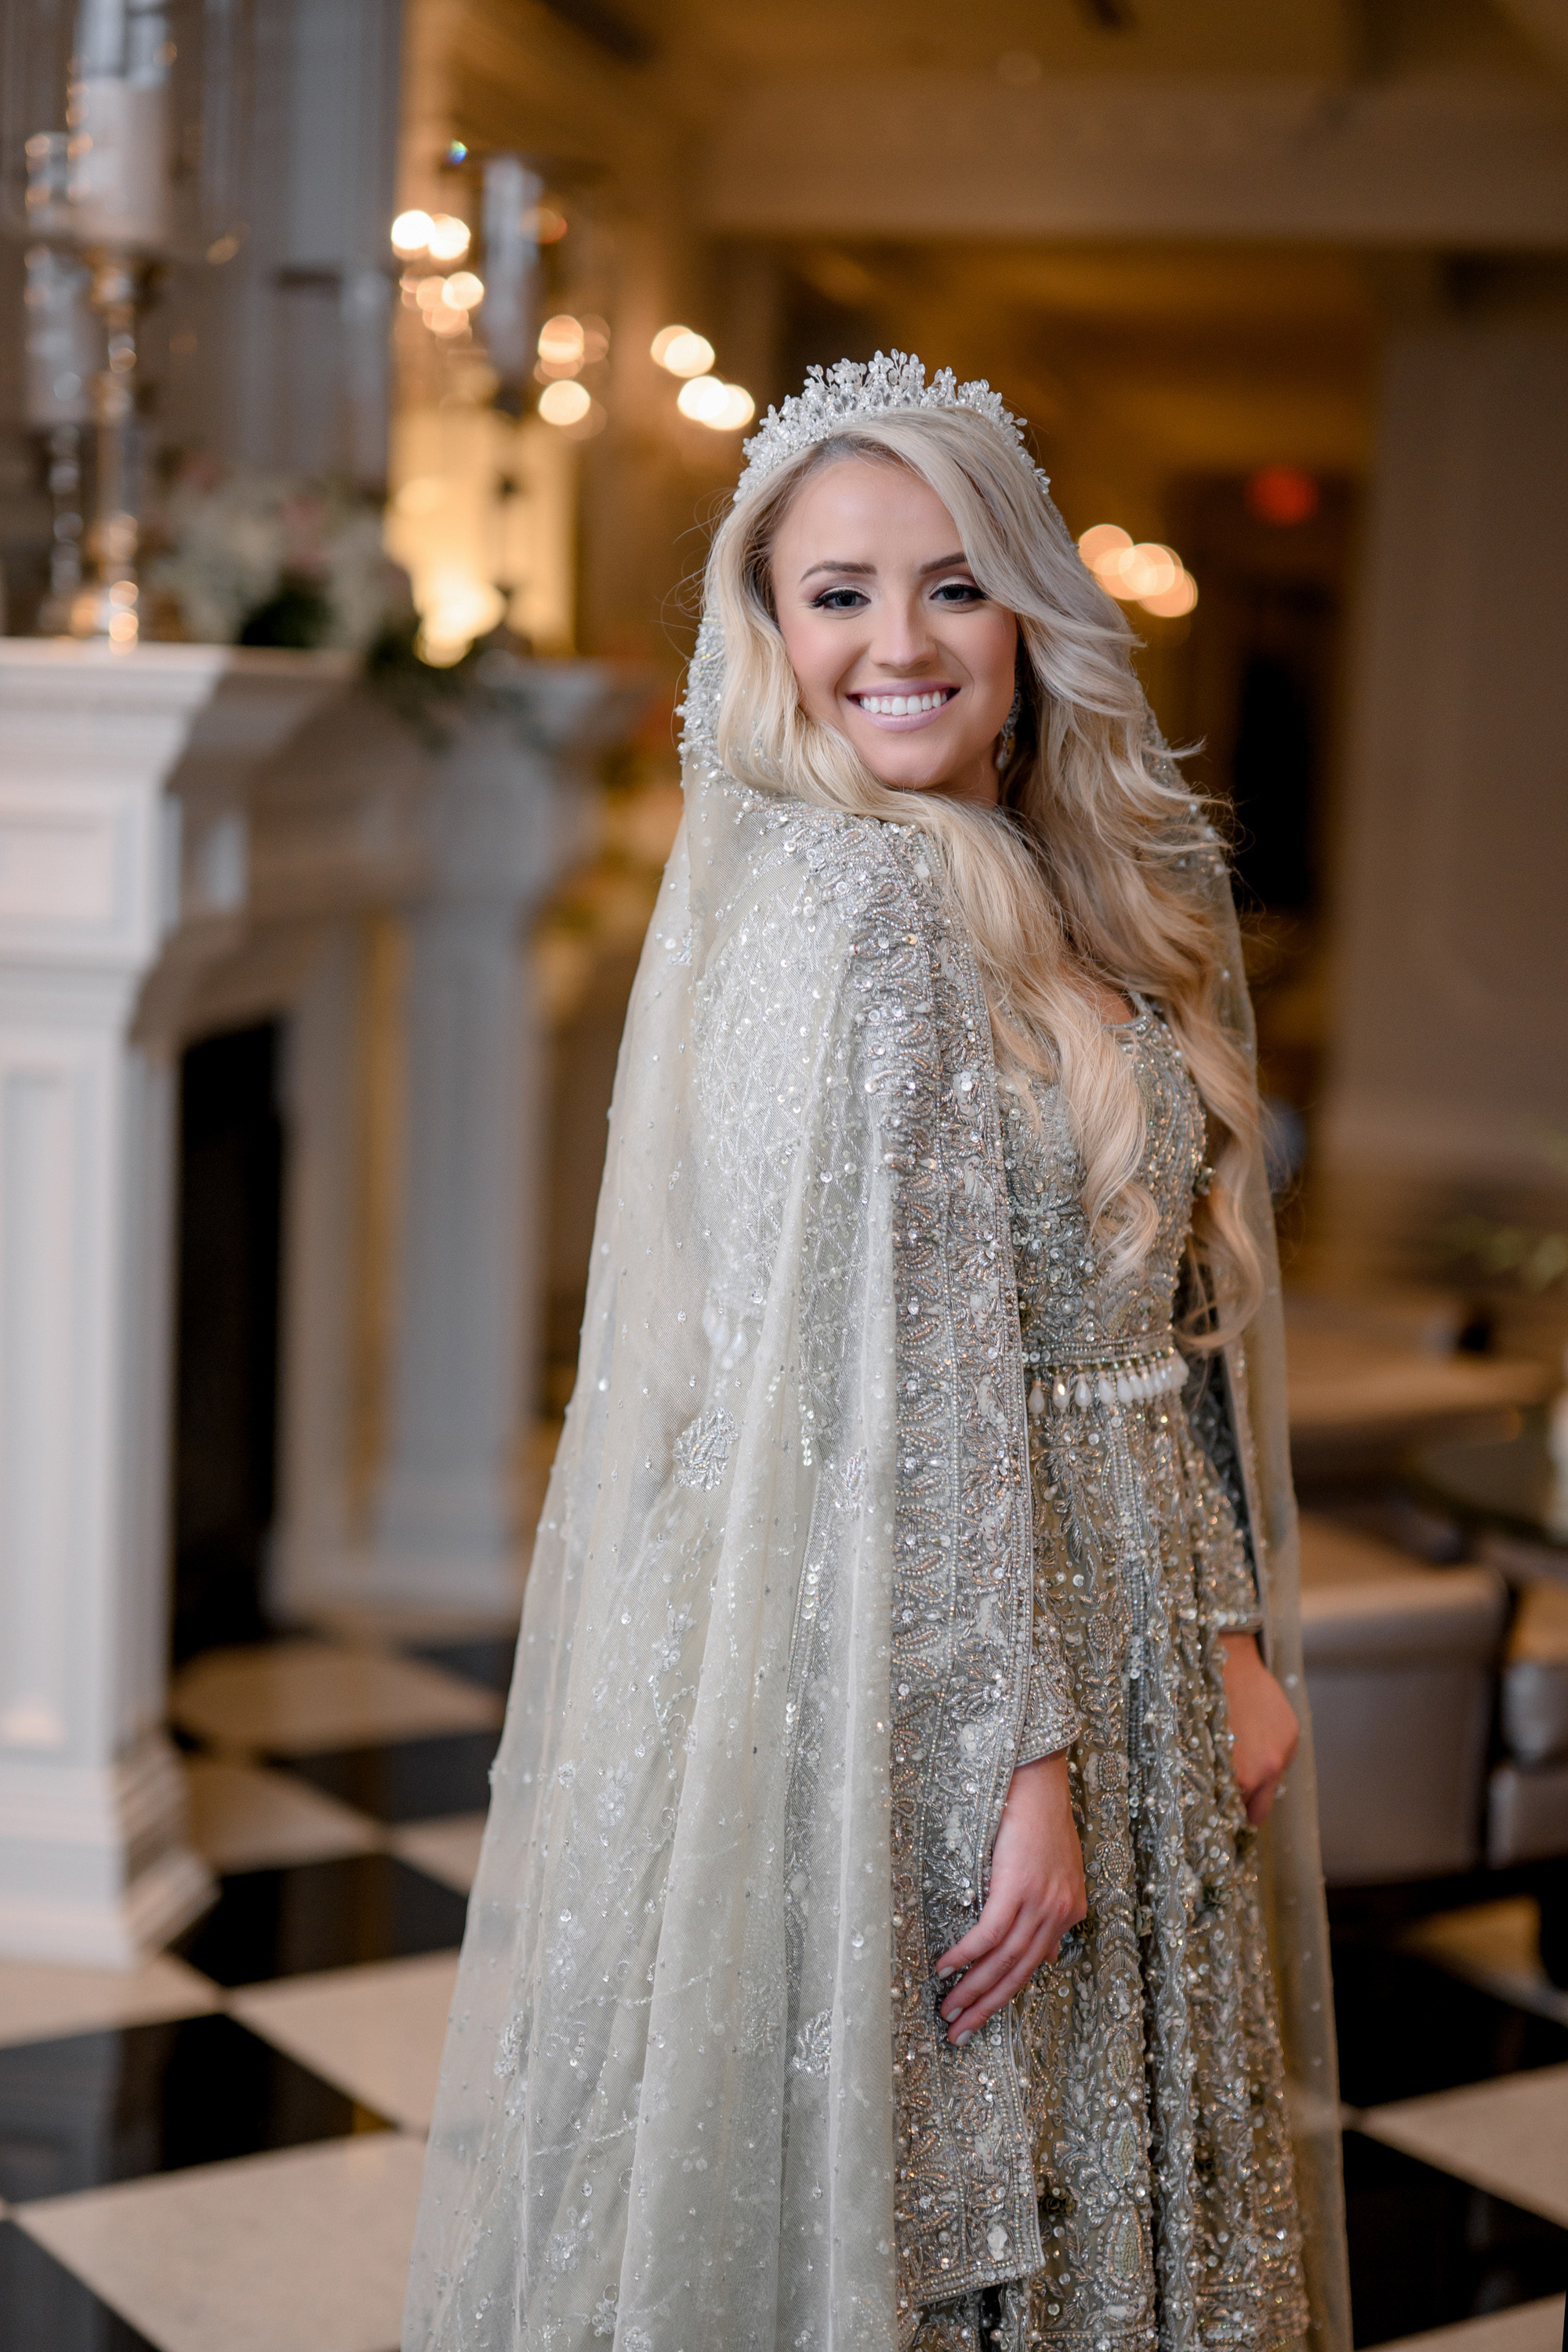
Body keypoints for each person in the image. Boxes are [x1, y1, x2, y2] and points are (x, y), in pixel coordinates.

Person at [403, 354, 1350, 2352]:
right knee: (952, 2190)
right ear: (765, 625)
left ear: (1027, 611)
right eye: (835, 593)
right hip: (921, 1646)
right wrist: (1015, 1760)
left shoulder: (1076, 882)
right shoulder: (849, 898)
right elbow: (882, 1392)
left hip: (1126, 1606)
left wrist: (1225, 1631)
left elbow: (1151, 1310)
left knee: (1127, 2167)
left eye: (949, 585)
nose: (895, 646)